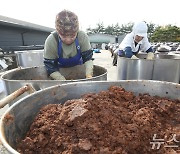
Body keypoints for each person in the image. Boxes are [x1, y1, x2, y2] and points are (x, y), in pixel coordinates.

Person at [43, 10, 93, 80]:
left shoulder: (82, 36)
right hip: (59, 72)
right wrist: (62, 80)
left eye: (72, 36)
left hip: (79, 72)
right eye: (63, 36)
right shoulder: (52, 40)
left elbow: (88, 59)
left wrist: (89, 75)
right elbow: (50, 66)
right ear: (58, 31)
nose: (68, 40)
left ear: (77, 31)